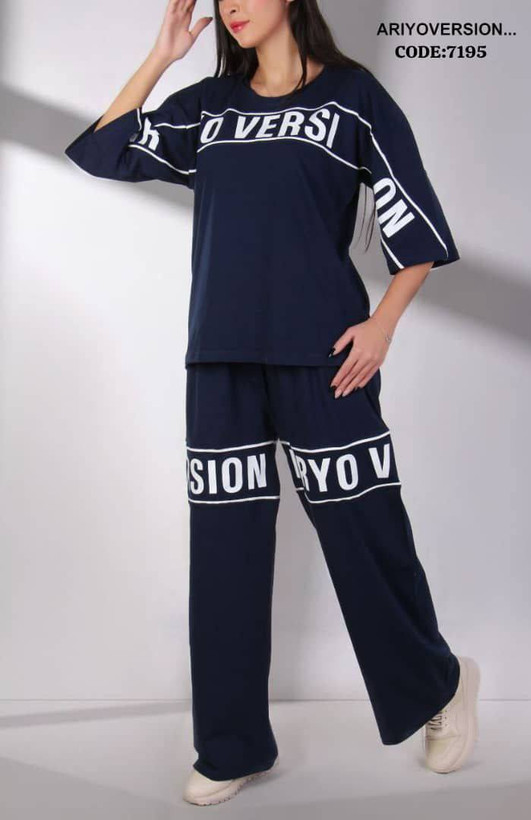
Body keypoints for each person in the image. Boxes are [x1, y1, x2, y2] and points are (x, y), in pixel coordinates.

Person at [64, 0, 481, 807]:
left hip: (325, 357)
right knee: (224, 554)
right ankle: (230, 747)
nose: (232, 5)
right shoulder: (209, 106)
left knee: (365, 535)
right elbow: (103, 149)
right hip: (219, 356)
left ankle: (440, 683)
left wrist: (381, 327)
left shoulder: (352, 98)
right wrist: (162, 57)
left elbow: (416, 227)